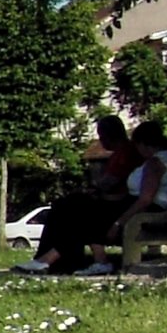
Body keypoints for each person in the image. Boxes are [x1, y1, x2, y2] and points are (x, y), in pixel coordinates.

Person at [17, 115, 142, 274]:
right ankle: (50, 260)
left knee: (74, 210)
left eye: (101, 135)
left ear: (108, 135)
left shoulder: (126, 153)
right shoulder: (122, 152)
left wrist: (95, 188)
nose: (100, 140)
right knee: (65, 207)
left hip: (117, 206)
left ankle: (50, 260)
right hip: (113, 202)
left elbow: (112, 182)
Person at [73, 119, 167, 276]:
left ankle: (101, 261)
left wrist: (118, 223)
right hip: (156, 206)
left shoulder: (154, 163)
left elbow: (145, 199)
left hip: (148, 209)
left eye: (137, 146)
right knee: (93, 206)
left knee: (88, 210)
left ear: (144, 144)